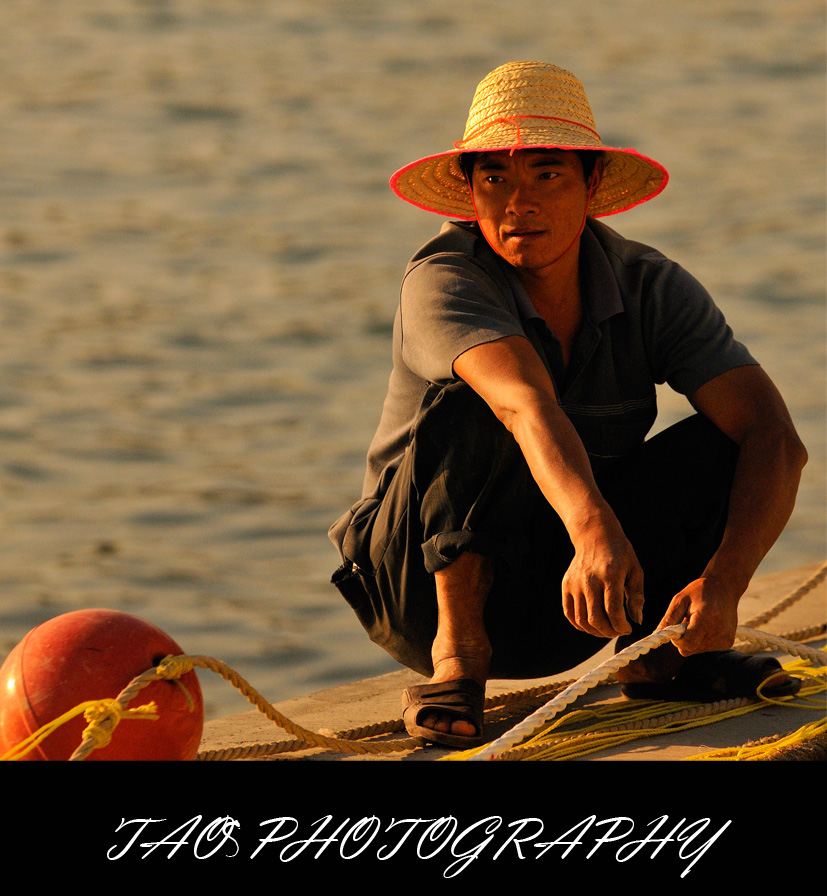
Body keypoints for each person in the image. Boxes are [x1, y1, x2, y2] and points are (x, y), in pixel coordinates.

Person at [329, 61, 807, 748]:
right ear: (469, 195)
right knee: (478, 399)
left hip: (577, 601)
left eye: (546, 175)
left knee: (731, 438)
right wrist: (592, 533)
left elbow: (776, 439)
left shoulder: (649, 284)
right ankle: (456, 664)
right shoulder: (444, 280)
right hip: (416, 588)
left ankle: (662, 656)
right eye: (493, 179)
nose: (517, 201)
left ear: (590, 188)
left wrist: (724, 585)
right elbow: (523, 403)